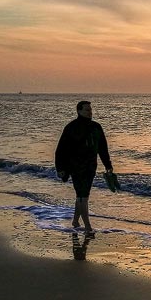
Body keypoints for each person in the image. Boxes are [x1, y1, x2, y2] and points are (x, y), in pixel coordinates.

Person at [55, 100, 113, 235]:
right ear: (79, 111)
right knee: (83, 196)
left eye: (90, 110)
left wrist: (108, 165)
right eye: (87, 110)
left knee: (81, 195)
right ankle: (88, 227)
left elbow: (103, 148)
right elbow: (60, 150)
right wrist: (60, 168)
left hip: (91, 166)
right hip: (75, 166)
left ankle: (75, 221)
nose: (90, 112)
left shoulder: (96, 127)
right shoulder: (71, 127)